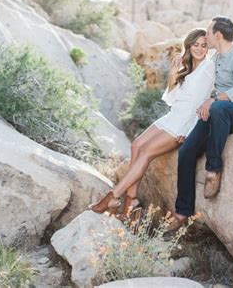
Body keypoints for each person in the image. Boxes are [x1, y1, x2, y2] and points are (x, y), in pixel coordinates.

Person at [88, 28, 215, 221]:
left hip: (182, 123)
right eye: (195, 44)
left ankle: (113, 197)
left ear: (208, 48)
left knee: (146, 152)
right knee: (136, 145)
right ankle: (132, 200)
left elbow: (200, 103)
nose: (199, 49)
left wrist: (188, 130)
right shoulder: (188, 67)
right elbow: (172, 99)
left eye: (203, 45)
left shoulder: (208, 68)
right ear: (188, 45)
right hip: (172, 116)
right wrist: (173, 74)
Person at [168, 16, 233, 231]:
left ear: (218, 35)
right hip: (220, 112)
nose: (206, 36)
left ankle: (213, 169)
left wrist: (214, 99)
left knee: (218, 107)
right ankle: (182, 213)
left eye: (208, 33)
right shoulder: (218, 57)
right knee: (187, 151)